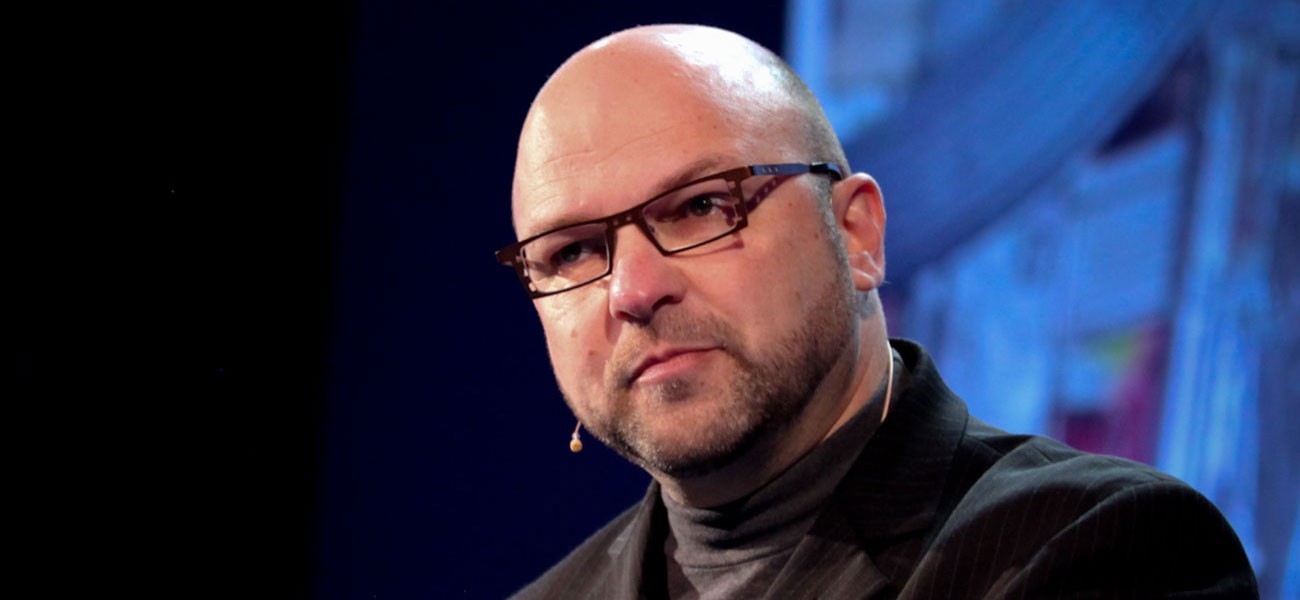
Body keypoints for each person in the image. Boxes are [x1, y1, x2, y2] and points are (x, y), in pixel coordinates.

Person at [495, 24, 1258, 599]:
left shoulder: (1105, 550)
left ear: (856, 233)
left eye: (700, 207)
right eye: (573, 252)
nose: (632, 291)